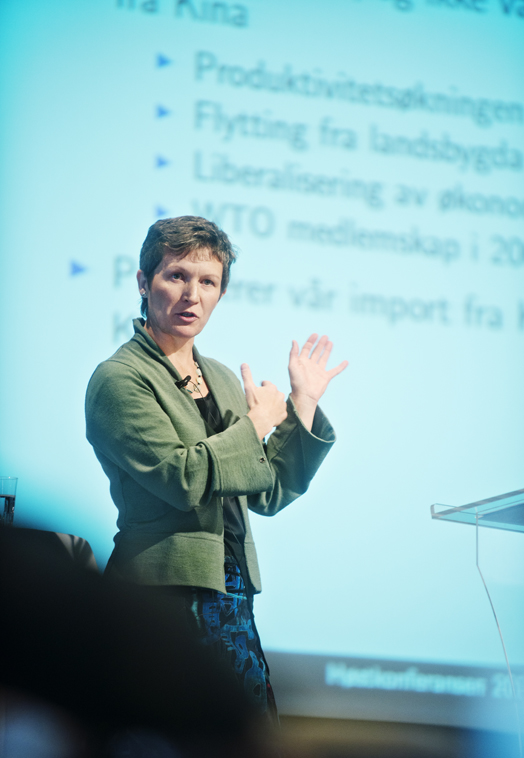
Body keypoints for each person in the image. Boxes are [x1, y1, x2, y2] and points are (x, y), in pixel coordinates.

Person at [85, 216, 347, 722]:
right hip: (159, 600)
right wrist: (256, 424)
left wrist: (302, 406)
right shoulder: (119, 379)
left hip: (231, 600)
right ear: (144, 282)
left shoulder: (222, 378)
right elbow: (183, 480)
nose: (192, 294)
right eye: (176, 276)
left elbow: (266, 490)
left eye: (208, 282)